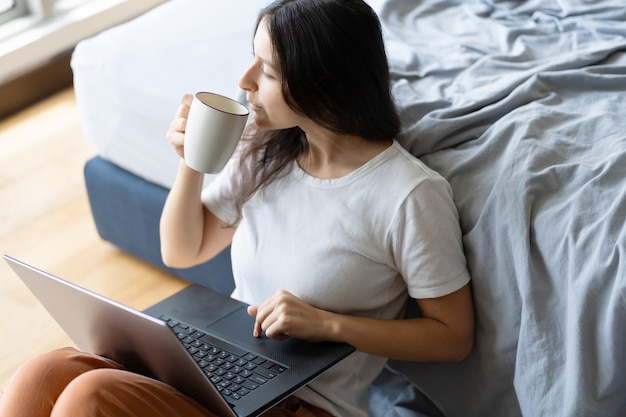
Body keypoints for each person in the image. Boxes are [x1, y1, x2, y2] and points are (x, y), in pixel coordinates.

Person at [0, 1, 474, 417]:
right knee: (43, 373)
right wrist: (192, 164)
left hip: (303, 405)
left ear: (321, 84)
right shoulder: (268, 150)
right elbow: (182, 250)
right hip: (224, 369)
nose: (244, 80)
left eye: (266, 71)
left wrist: (329, 324)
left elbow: (452, 336)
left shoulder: (408, 195)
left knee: (92, 397)